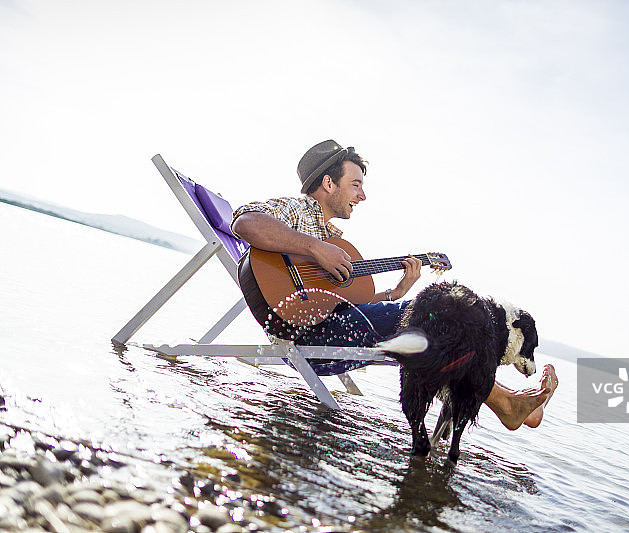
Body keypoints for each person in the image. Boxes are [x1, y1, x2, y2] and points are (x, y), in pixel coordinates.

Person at [231, 140, 557, 430]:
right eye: (355, 184)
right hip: (305, 338)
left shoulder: (331, 239)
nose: (362, 195)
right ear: (328, 183)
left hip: (326, 330)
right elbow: (246, 223)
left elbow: (344, 306)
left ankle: (508, 402)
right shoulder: (297, 210)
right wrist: (316, 248)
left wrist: (396, 293)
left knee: (433, 326)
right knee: (440, 316)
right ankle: (509, 403)